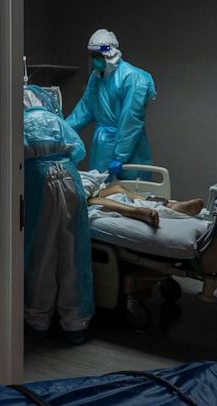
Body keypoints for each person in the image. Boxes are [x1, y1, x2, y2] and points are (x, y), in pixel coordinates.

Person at [22, 85, 93, 345]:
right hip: (72, 182)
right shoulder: (56, 120)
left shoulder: (20, 123)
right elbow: (79, 151)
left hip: (38, 185)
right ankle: (75, 323)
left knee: (43, 254)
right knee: (73, 253)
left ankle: (37, 320)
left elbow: (12, 160)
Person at [66, 29, 157, 181]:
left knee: (135, 197)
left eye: (99, 56)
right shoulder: (96, 79)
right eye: (93, 56)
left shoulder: (132, 78)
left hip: (130, 149)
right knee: (101, 194)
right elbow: (82, 111)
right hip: (102, 147)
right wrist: (60, 132)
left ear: (110, 54)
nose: (95, 60)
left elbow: (131, 120)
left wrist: (120, 156)